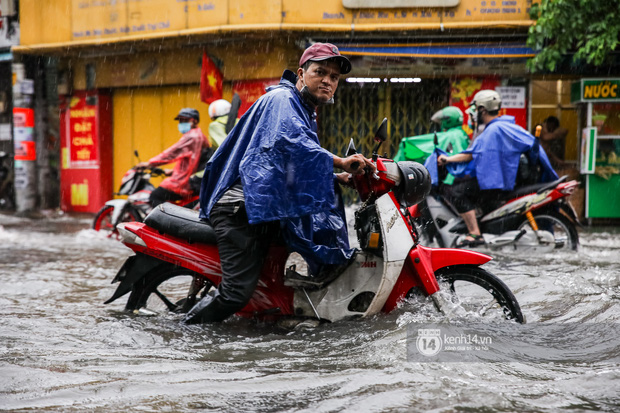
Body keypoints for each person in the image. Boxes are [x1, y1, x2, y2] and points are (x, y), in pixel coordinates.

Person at [184, 43, 375, 324]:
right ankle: (186, 333)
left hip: (261, 208)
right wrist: (340, 162)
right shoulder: (283, 99)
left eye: (334, 77)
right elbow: (289, 143)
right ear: (301, 73)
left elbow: (287, 167)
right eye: (320, 72)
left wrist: (338, 177)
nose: (327, 81)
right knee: (236, 293)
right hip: (240, 209)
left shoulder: (303, 109)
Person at [436, 90, 558, 248]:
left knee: (457, 192)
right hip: (508, 180)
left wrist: (447, 159)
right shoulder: (504, 126)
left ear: (482, 110)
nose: (473, 113)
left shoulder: (493, 130)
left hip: (499, 184)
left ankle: (475, 233)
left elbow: (471, 154)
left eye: (475, 109)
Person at [136, 108, 208, 207]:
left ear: (194, 121)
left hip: (182, 183)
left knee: (155, 196)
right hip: (188, 179)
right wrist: (172, 171)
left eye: (185, 120)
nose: (182, 123)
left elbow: (171, 153)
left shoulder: (192, 136)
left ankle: (161, 221)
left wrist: (149, 163)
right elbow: (191, 161)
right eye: (180, 121)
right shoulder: (200, 136)